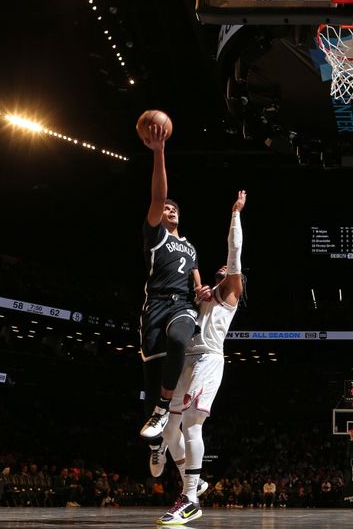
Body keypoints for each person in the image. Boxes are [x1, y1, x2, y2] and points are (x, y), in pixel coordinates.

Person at [155, 190, 247, 525]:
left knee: (193, 424)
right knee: (169, 430)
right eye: (220, 269)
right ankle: (196, 481)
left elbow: (234, 254)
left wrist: (236, 213)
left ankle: (191, 497)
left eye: (227, 270)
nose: (222, 268)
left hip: (209, 360)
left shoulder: (231, 292)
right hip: (187, 360)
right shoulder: (204, 298)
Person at [139, 123, 208, 457]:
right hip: (154, 307)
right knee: (152, 384)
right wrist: (159, 152)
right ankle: (157, 444)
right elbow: (157, 196)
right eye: (165, 207)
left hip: (181, 305)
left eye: (173, 208)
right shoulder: (156, 237)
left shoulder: (191, 247)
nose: (168, 209)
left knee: (180, 338)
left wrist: (202, 291)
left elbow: (197, 280)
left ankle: (164, 407)